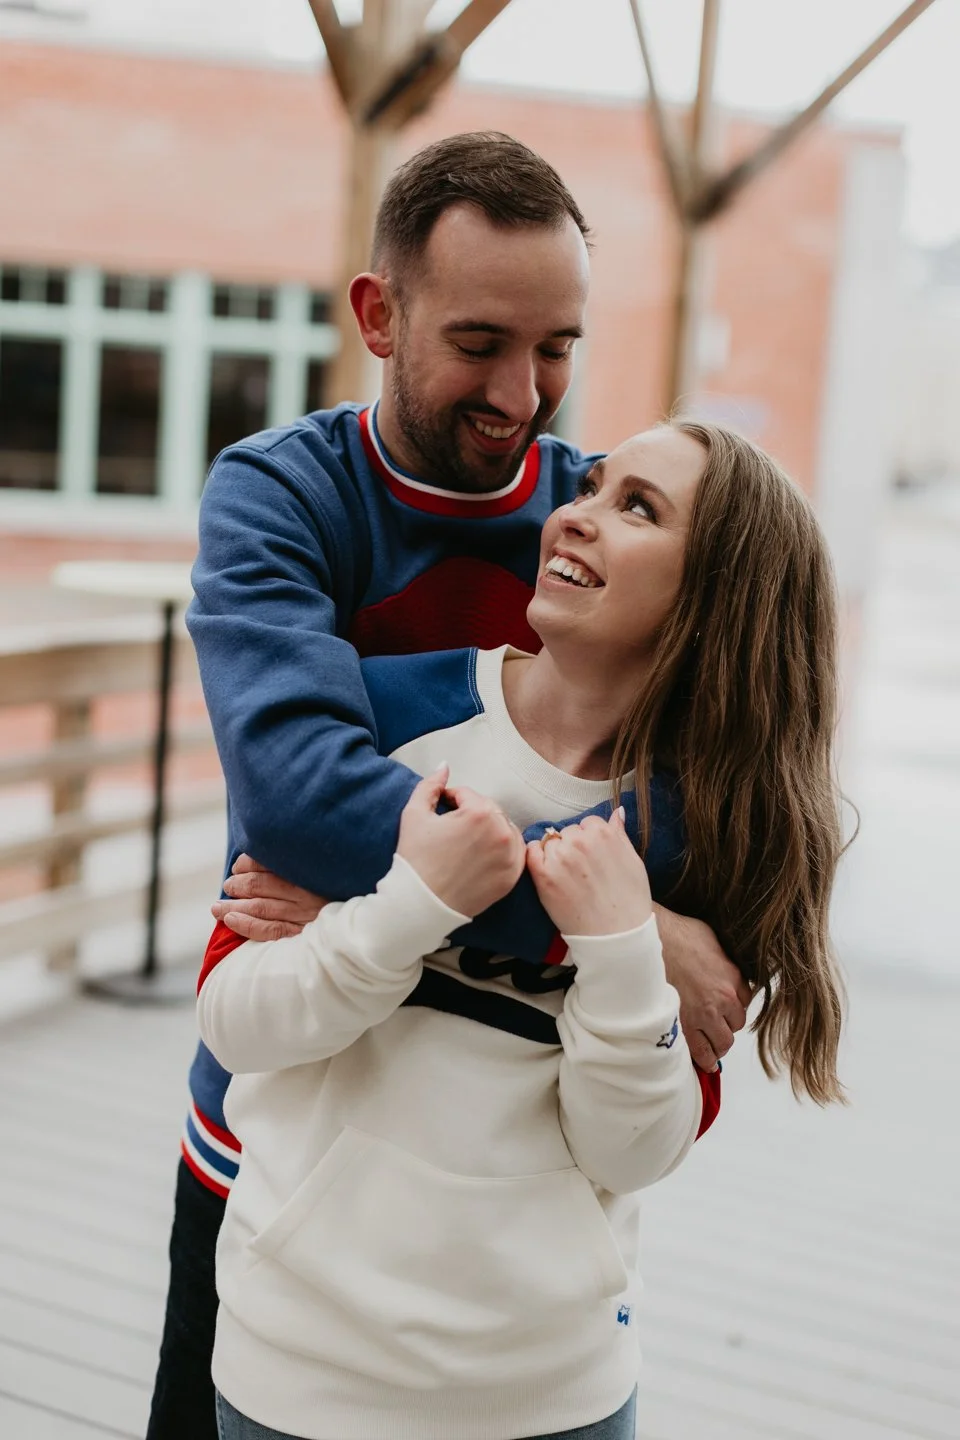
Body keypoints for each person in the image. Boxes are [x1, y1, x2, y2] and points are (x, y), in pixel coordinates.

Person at [146, 132, 749, 1440]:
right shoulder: (282, 494)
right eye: (480, 343)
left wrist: (402, 898)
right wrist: (619, 928)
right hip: (278, 1138)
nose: (523, 396)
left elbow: (708, 804)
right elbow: (299, 801)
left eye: (558, 348)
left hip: (514, 1232)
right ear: (379, 316)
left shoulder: (596, 525)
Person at [197, 420, 847, 1440]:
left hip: (556, 1394)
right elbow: (238, 1025)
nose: (575, 515)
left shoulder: (715, 833)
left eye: (638, 509)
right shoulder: (377, 724)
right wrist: (414, 907)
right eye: (591, 489)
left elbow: (633, 1149)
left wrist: (623, 949)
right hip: (298, 1370)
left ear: (719, 594)